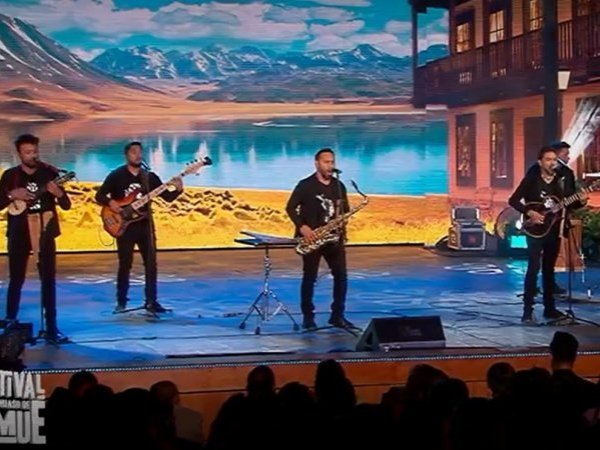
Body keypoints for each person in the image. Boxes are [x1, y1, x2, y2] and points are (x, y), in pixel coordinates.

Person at [95, 141, 183, 313]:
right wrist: (111, 203)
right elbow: (99, 195)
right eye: (134, 152)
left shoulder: (149, 177)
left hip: (145, 225)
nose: (138, 155)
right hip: (124, 226)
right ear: (127, 155)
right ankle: (121, 302)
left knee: (151, 264)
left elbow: (167, 197)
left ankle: (151, 301)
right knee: (125, 264)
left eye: (140, 152)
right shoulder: (117, 175)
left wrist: (178, 189)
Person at [0, 134, 71, 343]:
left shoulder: (49, 173)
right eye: (28, 152)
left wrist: (58, 193)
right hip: (19, 232)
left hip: (45, 232)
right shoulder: (11, 176)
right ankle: (10, 321)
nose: (32, 155)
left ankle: (51, 328)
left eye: (35, 151)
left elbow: (66, 205)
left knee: (48, 280)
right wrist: (12, 195)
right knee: (16, 278)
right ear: (19, 154)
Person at [509, 146, 581, 323]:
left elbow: (568, 203)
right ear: (540, 162)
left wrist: (580, 201)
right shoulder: (532, 180)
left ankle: (550, 308)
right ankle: (528, 310)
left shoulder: (560, 181)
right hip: (535, 229)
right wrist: (529, 212)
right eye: (548, 160)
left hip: (553, 229)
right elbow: (513, 200)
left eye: (554, 160)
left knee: (549, 270)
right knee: (534, 268)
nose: (552, 163)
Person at [286, 148, 352, 330]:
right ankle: (308, 317)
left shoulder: (339, 186)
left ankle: (337, 316)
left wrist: (341, 222)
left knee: (341, 277)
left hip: (334, 239)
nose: (330, 166)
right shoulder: (305, 185)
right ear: (317, 164)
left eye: (332, 162)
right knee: (310, 278)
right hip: (312, 239)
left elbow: (345, 210)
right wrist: (302, 227)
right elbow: (290, 208)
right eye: (326, 162)